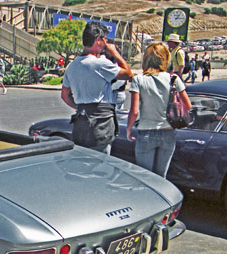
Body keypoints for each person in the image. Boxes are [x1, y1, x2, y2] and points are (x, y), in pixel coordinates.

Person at [61, 21, 132, 154]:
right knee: (100, 165)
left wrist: (80, 107)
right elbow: (128, 74)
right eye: (105, 39)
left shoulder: (72, 66)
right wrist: (115, 53)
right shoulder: (100, 63)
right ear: (98, 40)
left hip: (81, 123)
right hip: (100, 123)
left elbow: (65, 95)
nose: (106, 43)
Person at [125, 43, 191, 178]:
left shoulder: (139, 80)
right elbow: (188, 106)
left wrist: (129, 128)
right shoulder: (174, 79)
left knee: (144, 177)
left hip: (146, 131)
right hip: (168, 131)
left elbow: (135, 110)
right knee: (161, 177)